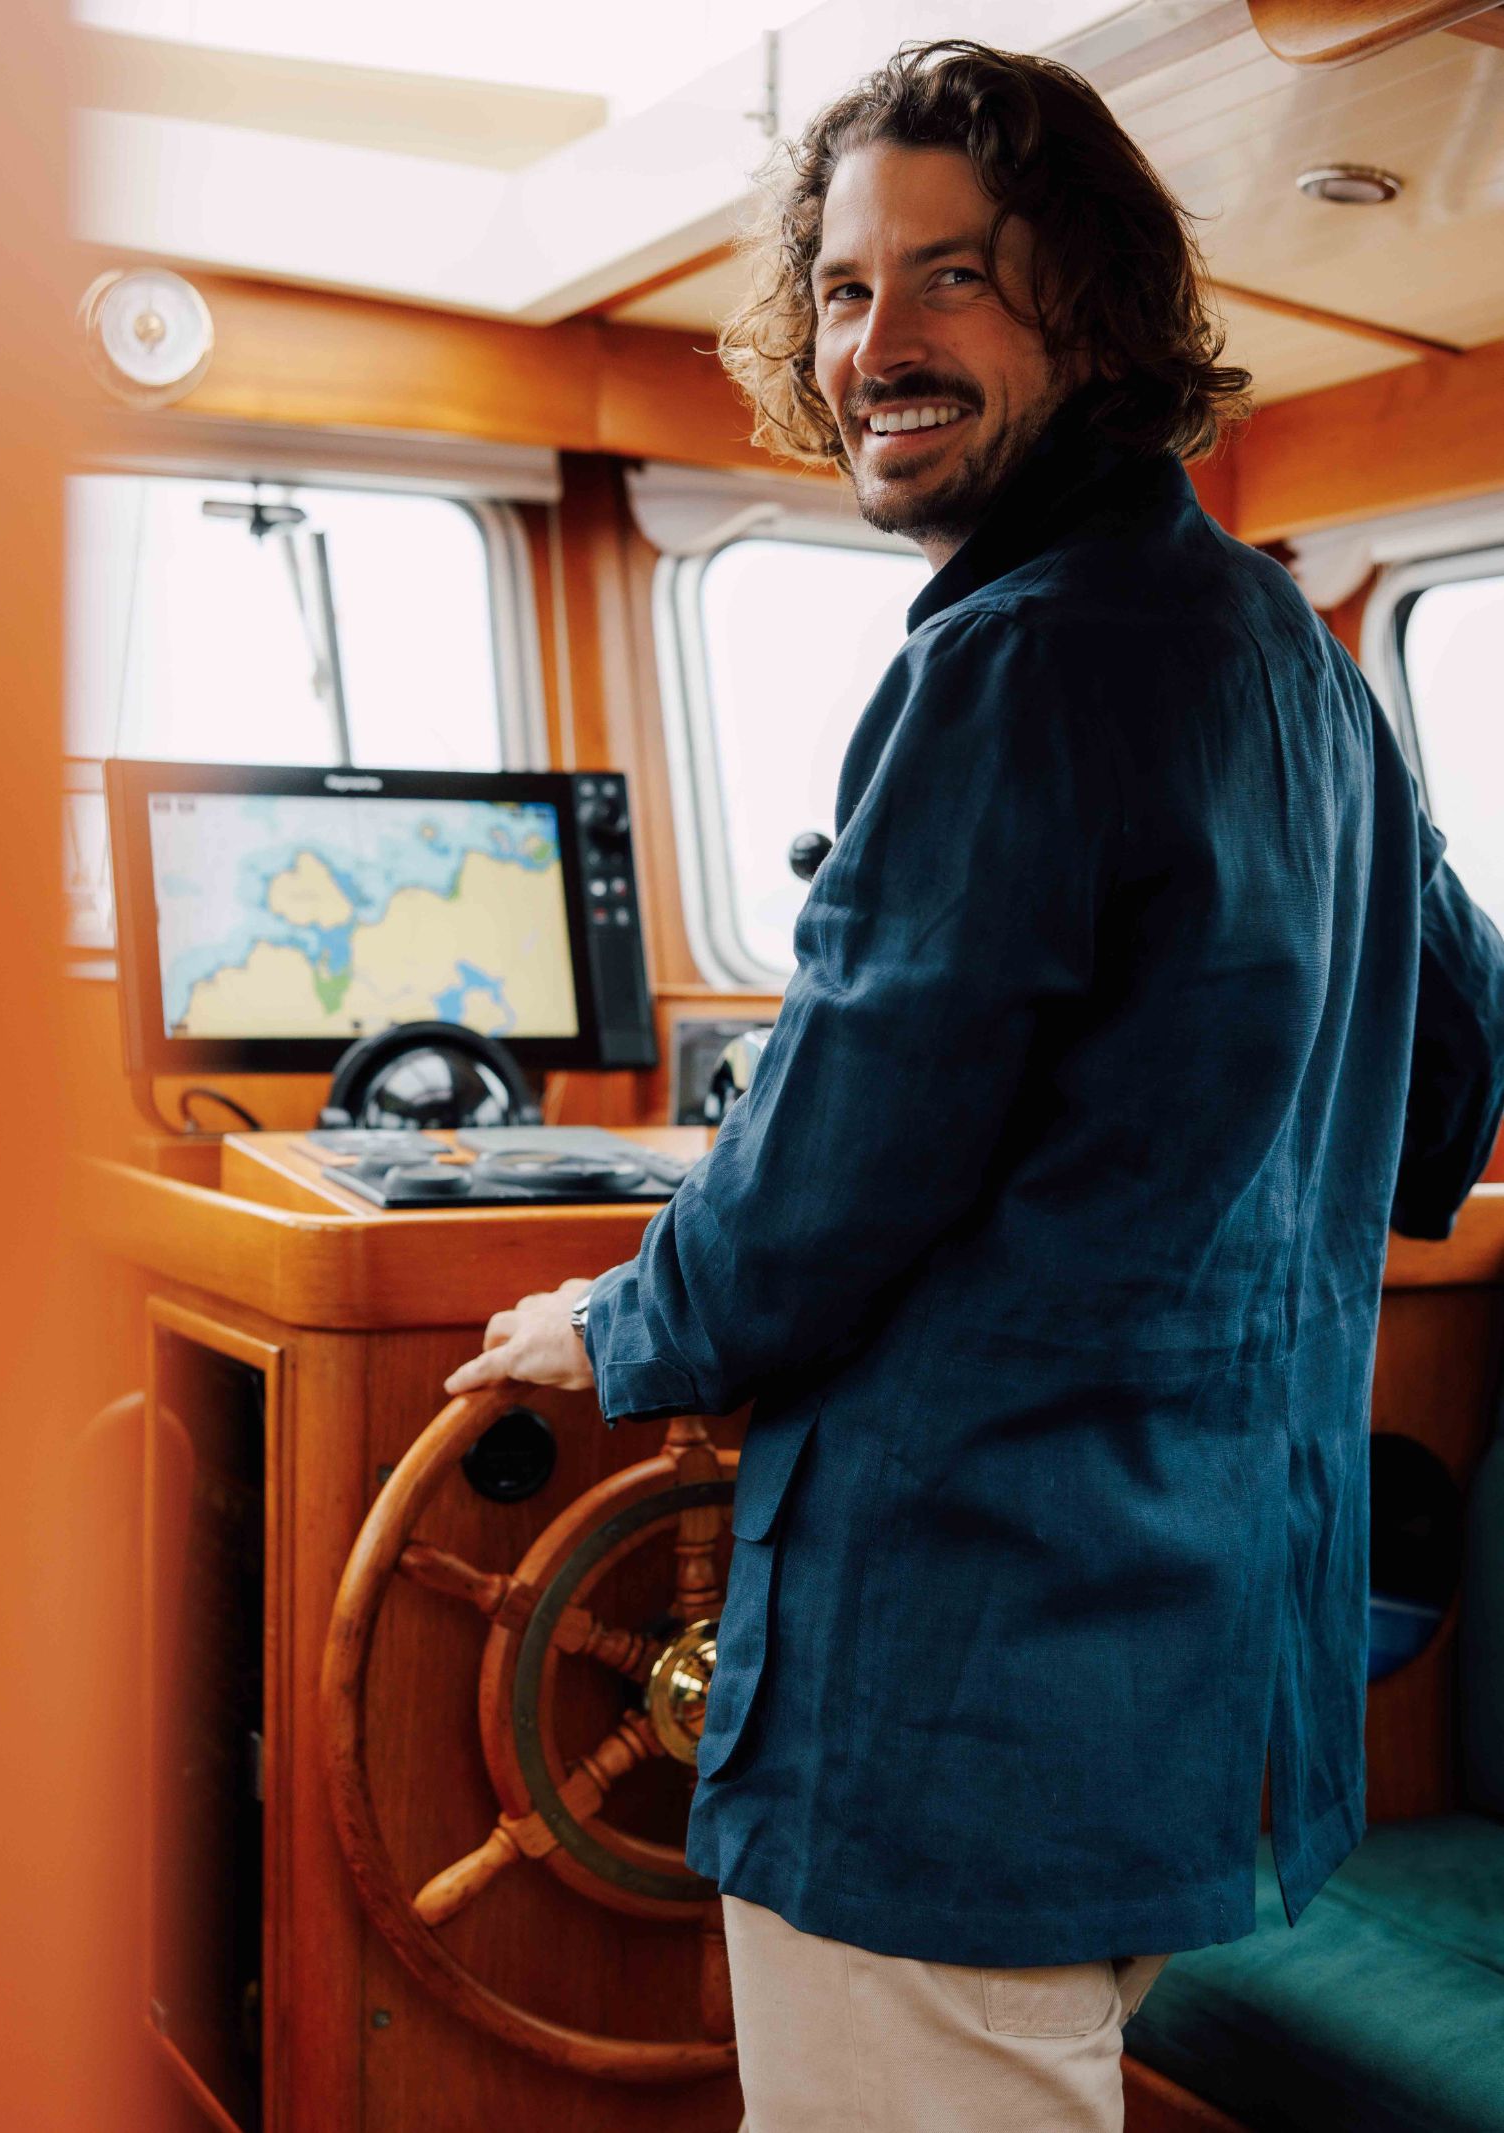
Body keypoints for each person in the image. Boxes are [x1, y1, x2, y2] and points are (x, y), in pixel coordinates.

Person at [444, 39, 1504, 2133]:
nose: (874, 340)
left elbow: (826, 1180)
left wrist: (617, 1317)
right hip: (1201, 1670)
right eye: (841, 288)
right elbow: (1445, 1089)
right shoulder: (1292, 655)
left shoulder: (1009, 655)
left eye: (955, 277)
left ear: (1093, 311)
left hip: (967, 1685)